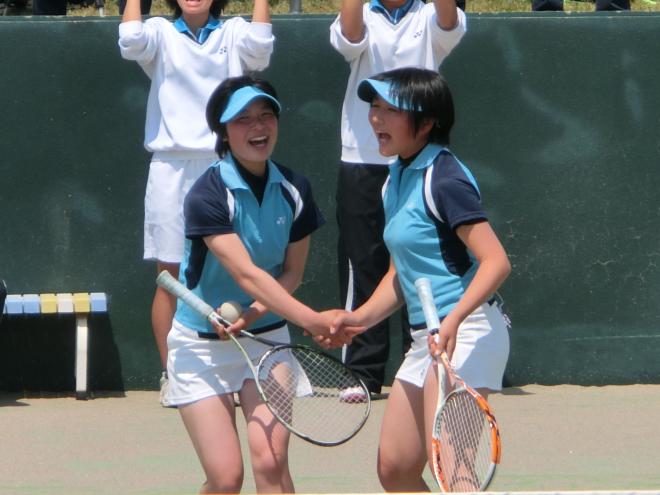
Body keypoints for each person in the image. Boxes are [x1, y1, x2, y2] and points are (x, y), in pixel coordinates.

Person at [326, 67, 511, 491]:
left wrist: (453, 321)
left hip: (467, 330)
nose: (377, 119)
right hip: (427, 337)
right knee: (396, 468)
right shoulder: (395, 178)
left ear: (426, 123)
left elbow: (496, 262)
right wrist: (359, 320)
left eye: (392, 111)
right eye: (374, 108)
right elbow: (399, 273)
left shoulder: (444, 177)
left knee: (454, 468)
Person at [166, 75, 347, 493]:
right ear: (224, 132)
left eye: (266, 115)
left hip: (266, 342)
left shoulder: (295, 189)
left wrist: (252, 314)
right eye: (243, 119)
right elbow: (245, 273)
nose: (258, 127)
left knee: (270, 461)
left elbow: (291, 274)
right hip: (199, 348)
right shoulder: (207, 194)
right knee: (226, 478)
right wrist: (314, 321)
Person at [118, 0, 274, 406]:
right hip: (170, 168)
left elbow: (260, 46)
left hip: (223, 164)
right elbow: (129, 39)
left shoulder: (235, 32)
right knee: (170, 274)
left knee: (241, 269)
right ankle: (172, 373)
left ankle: (240, 369)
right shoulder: (158, 33)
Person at [329, 0, 467, 402]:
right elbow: (350, 38)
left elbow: (449, 22)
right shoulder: (360, 14)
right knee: (363, 263)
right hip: (360, 159)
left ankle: (424, 359)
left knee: (417, 261)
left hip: (417, 160)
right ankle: (361, 373)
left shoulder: (430, 15)